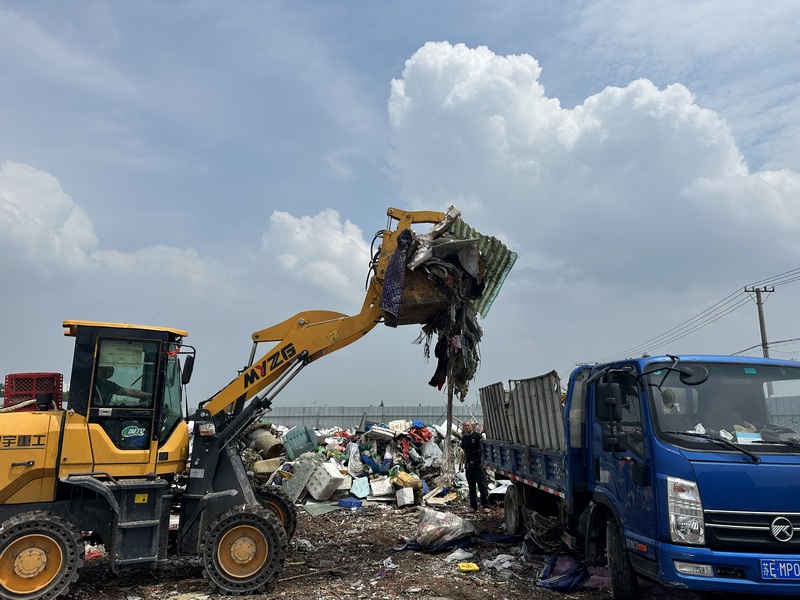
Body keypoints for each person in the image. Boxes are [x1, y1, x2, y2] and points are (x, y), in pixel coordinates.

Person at [460, 421, 490, 513]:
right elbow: (464, 452)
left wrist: (483, 462)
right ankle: (474, 506)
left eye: (468, 425)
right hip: (469, 465)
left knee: (482, 485)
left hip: (478, 465)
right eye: (465, 426)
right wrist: (462, 464)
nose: (467, 427)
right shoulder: (464, 438)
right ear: (463, 428)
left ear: (471, 426)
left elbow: (483, 450)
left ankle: (486, 505)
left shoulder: (477, 436)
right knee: (471, 486)